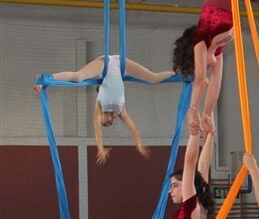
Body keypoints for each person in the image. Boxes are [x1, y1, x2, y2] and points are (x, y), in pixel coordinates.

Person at [35, 56, 175, 164]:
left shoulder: (100, 106)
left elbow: (97, 130)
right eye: (109, 124)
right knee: (154, 79)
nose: (106, 123)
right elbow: (134, 129)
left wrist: (100, 148)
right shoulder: (121, 110)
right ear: (113, 118)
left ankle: (46, 79)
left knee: (78, 77)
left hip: (105, 64)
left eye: (104, 124)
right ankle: (180, 73)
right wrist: (139, 144)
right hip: (121, 65)